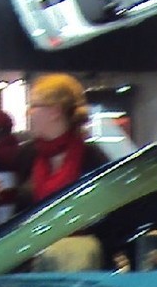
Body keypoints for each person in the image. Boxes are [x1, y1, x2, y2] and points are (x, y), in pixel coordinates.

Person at [14, 74, 108, 214]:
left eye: (33, 106)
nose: (28, 113)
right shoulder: (26, 155)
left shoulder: (92, 158)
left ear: (55, 112)